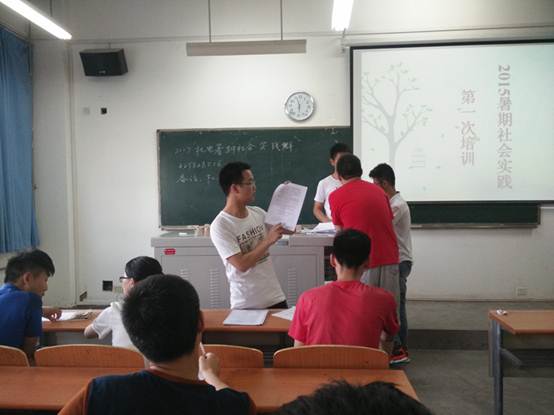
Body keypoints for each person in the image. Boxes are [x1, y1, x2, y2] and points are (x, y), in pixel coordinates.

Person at [59, 274, 256, 415]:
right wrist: (210, 375)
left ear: (133, 332)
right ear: (200, 323)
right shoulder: (235, 406)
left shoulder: (101, 392)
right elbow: (232, 400)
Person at [289, 229, 398, 351]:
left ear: (332, 260)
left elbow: (298, 350)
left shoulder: (307, 298)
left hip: (319, 363)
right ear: (368, 262)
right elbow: (388, 339)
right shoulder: (385, 299)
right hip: (364, 363)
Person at [210, 161, 287, 309]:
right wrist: (268, 241)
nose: (254, 187)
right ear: (234, 188)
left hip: (274, 297)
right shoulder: (221, 225)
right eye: (249, 183)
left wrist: (287, 195)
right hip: (246, 303)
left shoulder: (257, 212)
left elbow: (286, 228)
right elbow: (241, 265)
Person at [329, 154, 400, 305]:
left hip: (363, 261)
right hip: (390, 258)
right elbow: (387, 221)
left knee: (364, 310)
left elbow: (341, 234)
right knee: (389, 309)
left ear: (339, 175)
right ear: (360, 171)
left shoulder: (335, 196)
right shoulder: (380, 192)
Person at [369, 163, 414, 364]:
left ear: (385, 184)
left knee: (396, 306)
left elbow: (380, 223)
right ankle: (399, 348)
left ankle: (400, 349)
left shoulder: (397, 205)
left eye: (375, 185)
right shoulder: (391, 202)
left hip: (399, 261)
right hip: (393, 260)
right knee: (394, 304)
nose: (374, 190)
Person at [84, 256, 162, 349]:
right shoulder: (170, 309)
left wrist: (105, 315)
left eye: (123, 278)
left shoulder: (115, 310)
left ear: (132, 283)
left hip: (124, 359)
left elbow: (87, 333)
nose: (122, 282)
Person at [0, 249, 61, 361]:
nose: (46, 287)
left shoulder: (3, 293)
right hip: (10, 366)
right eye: (45, 280)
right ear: (27, 278)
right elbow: (28, 351)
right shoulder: (32, 300)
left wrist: (41, 311)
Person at [275, 380, 433, 415]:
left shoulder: (307, 303)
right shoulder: (384, 303)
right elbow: (388, 342)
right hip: (371, 364)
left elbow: (298, 348)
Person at [313, 142, 352, 223]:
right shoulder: (324, 183)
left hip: (351, 225)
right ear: (332, 162)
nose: (344, 164)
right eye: (340, 160)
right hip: (332, 227)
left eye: (347, 160)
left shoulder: (355, 182)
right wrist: (328, 222)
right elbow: (317, 208)